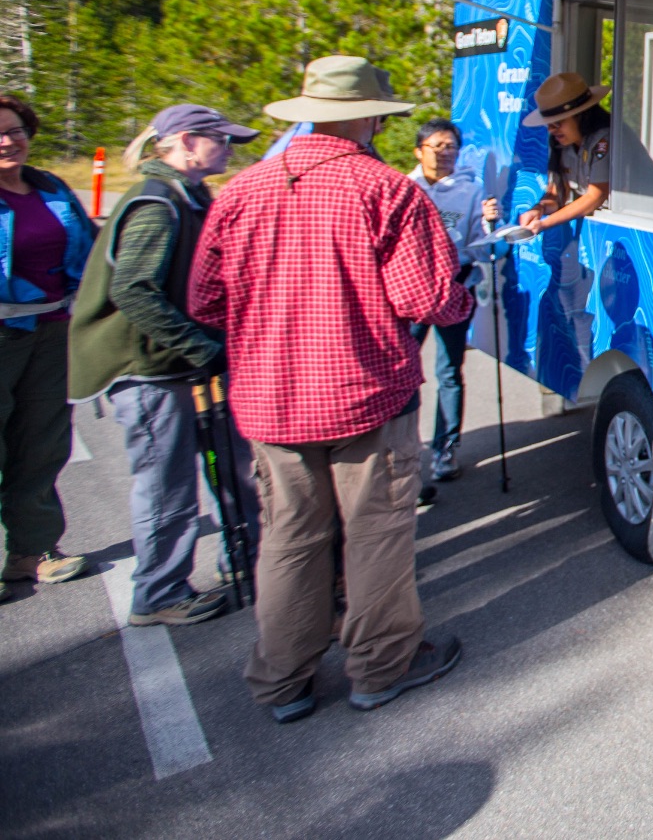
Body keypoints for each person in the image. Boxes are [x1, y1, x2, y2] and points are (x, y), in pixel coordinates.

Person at [189, 56, 473, 723]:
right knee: (374, 534)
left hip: (268, 399)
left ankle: (282, 677)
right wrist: (463, 298)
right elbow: (426, 296)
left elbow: (204, 300)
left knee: (289, 537)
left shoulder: (239, 192)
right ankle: (380, 665)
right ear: (371, 116)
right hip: (367, 391)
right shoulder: (387, 191)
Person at [69, 104, 263, 626]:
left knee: (236, 472)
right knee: (167, 485)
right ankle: (158, 593)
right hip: (148, 368)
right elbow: (132, 291)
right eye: (219, 140)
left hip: (180, 363)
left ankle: (245, 557)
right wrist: (205, 348)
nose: (228, 149)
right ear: (183, 142)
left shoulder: (188, 197)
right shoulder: (157, 204)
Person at [0, 93, 94, 598]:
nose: (7, 140)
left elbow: (89, 250)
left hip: (51, 330)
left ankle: (30, 553)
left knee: (41, 444)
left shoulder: (49, 187)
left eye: (14, 129)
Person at [406, 119, 500, 482]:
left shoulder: (472, 191)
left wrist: (490, 224)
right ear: (419, 151)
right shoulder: (404, 188)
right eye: (437, 146)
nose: (445, 153)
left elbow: (484, 247)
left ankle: (446, 449)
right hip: (411, 291)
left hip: (455, 286)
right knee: (402, 372)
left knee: (449, 371)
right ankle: (403, 448)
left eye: (451, 147)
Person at [517, 71, 612, 233]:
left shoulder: (605, 139)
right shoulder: (563, 145)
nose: (552, 130)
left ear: (582, 115)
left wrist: (544, 225)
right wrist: (538, 209)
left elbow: (596, 195)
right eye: (548, 124)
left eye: (558, 123)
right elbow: (557, 194)